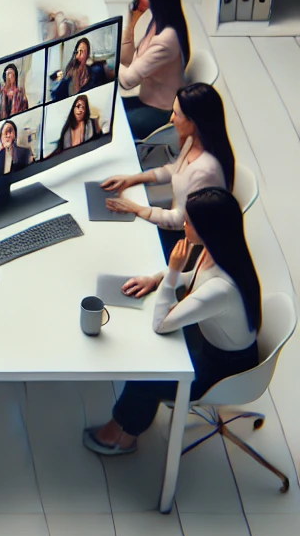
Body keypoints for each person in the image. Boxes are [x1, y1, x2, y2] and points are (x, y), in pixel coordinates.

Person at [83, 188, 261, 456]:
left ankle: (124, 435)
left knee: (144, 374)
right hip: (215, 341)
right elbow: (194, 278)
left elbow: (162, 323)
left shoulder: (221, 289)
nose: (183, 224)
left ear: (208, 229)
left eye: (189, 222)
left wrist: (173, 271)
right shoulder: (223, 252)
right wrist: (156, 278)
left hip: (221, 369)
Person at [102, 83, 234, 260]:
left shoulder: (205, 172)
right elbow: (174, 170)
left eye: (177, 114)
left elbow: (179, 220)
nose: (171, 119)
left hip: (187, 242)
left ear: (193, 122)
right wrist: (132, 179)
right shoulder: (193, 141)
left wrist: (137, 209)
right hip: (174, 219)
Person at [120, 0, 190, 140]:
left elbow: (128, 81)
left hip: (160, 111)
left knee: (110, 124)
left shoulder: (166, 39)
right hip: (146, 100)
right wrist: (132, 19)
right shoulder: (158, 22)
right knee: (107, 109)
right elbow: (128, 60)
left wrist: (107, 63)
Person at [50, 36, 110, 100]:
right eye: (77, 52)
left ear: (87, 56)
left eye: (82, 52)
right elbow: (55, 96)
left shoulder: (96, 73)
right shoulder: (66, 80)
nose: (78, 55)